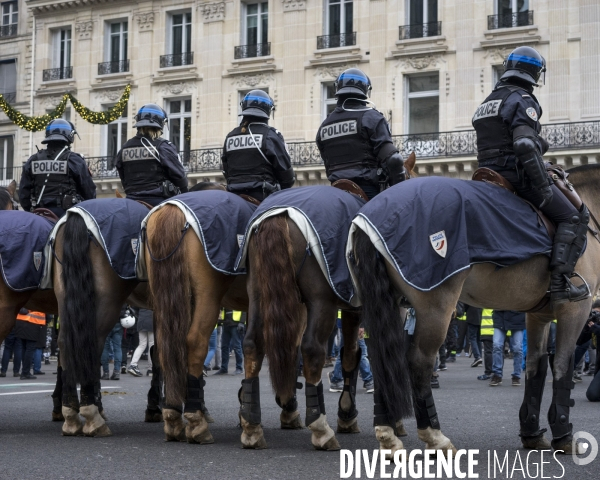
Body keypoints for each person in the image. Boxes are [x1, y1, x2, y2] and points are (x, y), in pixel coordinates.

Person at [472, 46, 589, 304]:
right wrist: (543, 187)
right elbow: (523, 145)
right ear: (535, 73)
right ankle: (561, 284)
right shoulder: (522, 98)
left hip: (487, 173)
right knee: (574, 217)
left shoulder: (488, 101)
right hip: (516, 175)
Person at [316, 68, 406, 200]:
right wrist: (401, 192)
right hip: (367, 191)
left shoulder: (324, 125)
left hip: (334, 192)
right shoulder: (372, 117)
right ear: (366, 90)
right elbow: (394, 160)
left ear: (337, 89)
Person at [221, 90, 295, 201]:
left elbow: (226, 170)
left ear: (244, 107)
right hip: (264, 196)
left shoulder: (230, 136)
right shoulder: (270, 135)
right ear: (268, 111)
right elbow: (287, 176)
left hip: (233, 195)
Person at [19, 119, 96, 217]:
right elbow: (89, 192)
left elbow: (23, 194)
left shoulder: (33, 160)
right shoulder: (74, 160)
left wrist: (31, 210)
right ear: (70, 136)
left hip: (38, 213)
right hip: (68, 215)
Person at [115, 103, 188, 206]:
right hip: (159, 201)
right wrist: (186, 194)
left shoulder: (124, 148)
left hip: (131, 200)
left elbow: (122, 176)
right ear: (161, 124)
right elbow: (179, 176)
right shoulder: (163, 146)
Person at [328, 327, 374, 393]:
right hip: (353, 325)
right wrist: (360, 326)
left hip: (349, 325)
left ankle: (336, 379)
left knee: (345, 352)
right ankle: (369, 381)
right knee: (361, 352)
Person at [489, 310, 525, 387]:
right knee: (497, 345)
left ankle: (516, 375)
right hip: (500, 317)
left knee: (517, 348)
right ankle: (497, 374)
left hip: (518, 318)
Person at [14, 309, 46, 380]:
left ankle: (24, 372)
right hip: (33, 323)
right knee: (30, 349)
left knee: (24, 348)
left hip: (20, 321)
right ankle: (25, 372)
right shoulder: (38, 298)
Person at [214, 310, 244, 375]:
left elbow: (244, 309)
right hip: (226, 323)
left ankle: (239, 368)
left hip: (235, 324)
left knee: (237, 347)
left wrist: (242, 322)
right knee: (224, 347)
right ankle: (224, 368)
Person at [127, 308, 154, 377]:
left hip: (141, 321)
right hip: (152, 320)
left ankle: (133, 364)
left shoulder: (141, 299)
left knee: (142, 344)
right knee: (152, 345)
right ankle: (150, 369)